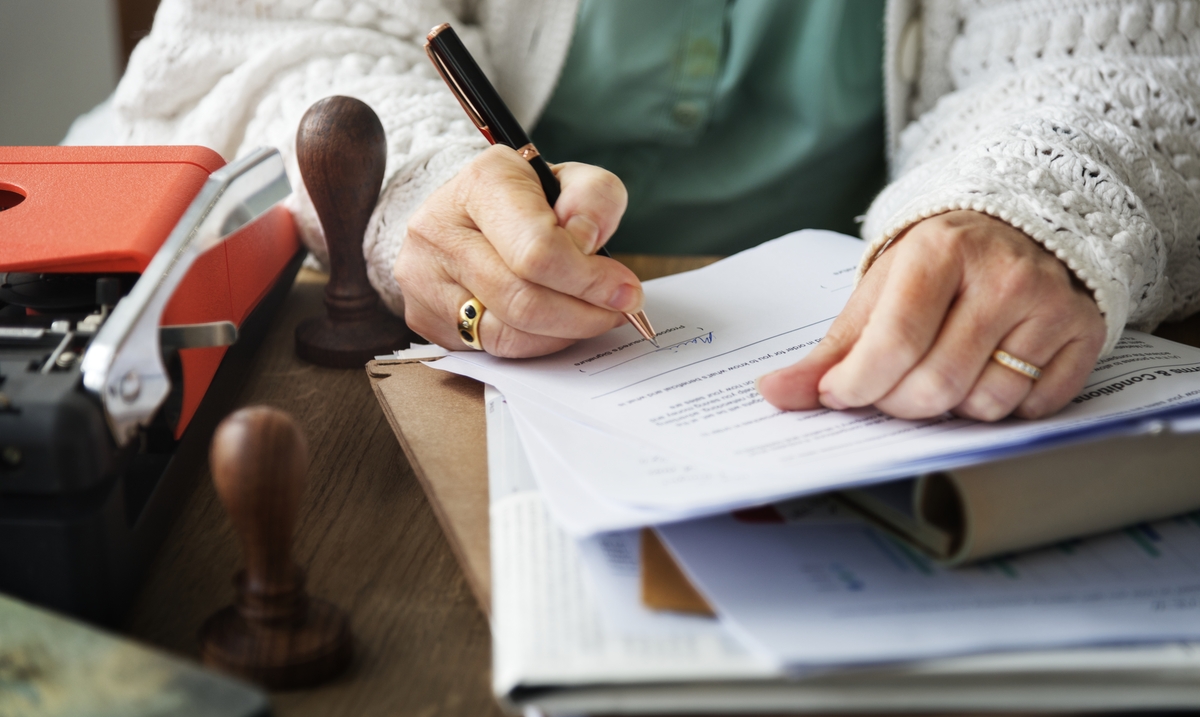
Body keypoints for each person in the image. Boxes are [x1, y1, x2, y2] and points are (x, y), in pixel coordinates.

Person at [89, 0, 1200, 422]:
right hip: (442, 387)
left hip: (850, 331)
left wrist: (1024, 201)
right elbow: (272, 34)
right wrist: (421, 191)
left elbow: (1113, 54)